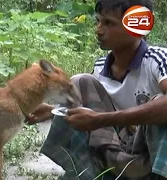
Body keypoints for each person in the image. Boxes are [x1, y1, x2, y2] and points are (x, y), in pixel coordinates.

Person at [26, 0, 167, 179]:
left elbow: (98, 118)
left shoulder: (158, 59)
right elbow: (93, 113)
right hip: (118, 149)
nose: (98, 30)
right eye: (98, 21)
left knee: (161, 106)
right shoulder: (100, 67)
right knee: (81, 81)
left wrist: (100, 119)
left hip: (150, 152)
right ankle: (93, 172)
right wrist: (53, 111)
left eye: (108, 23)